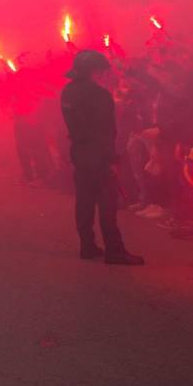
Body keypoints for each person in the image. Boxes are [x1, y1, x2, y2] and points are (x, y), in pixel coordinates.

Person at [61, 50, 144, 265]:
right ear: (94, 71)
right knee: (107, 204)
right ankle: (114, 251)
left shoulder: (67, 91)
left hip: (79, 152)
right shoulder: (100, 95)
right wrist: (112, 159)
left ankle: (87, 246)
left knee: (85, 202)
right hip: (98, 154)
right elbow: (106, 130)